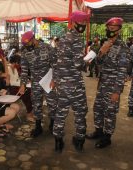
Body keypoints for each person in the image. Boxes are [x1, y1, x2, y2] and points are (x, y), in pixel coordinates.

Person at [86, 17, 130, 149]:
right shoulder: (105, 44)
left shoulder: (123, 47)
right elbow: (98, 64)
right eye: (108, 28)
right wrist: (101, 52)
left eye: (112, 29)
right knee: (98, 109)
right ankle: (99, 131)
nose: (109, 31)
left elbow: (122, 71)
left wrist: (117, 91)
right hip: (103, 83)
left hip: (113, 85)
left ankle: (107, 137)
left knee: (110, 112)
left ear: (119, 30)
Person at [50, 11, 89, 153]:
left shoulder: (62, 38)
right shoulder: (77, 39)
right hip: (75, 85)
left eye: (85, 23)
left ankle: (58, 142)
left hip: (61, 85)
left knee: (60, 113)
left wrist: (55, 79)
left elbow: (56, 62)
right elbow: (79, 64)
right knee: (80, 112)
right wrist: (88, 62)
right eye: (82, 22)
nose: (83, 25)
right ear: (73, 23)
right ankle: (79, 141)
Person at [18, 31, 57, 138]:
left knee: (52, 103)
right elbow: (24, 69)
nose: (26, 46)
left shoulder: (47, 47)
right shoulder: (24, 51)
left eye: (28, 43)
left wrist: (54, 79)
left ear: (33, 39)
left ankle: (53, 124)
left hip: (48, 80)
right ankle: (38, 126)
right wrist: (23, 84)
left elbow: (55, 64)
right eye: (24, 44)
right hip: (35, 82)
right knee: (36, 103)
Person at [8, 55, 34, 122]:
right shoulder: (8, 68)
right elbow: (10, 82)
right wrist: (22, 83)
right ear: (16, 62)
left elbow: (17, 79)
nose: (20, 65)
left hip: (17, 86)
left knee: (28, 90)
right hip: (12, 88)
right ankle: (29, 113)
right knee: (27, 92)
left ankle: (30, 112)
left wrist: (24, 81)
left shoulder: (15, 68)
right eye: (19, 63)